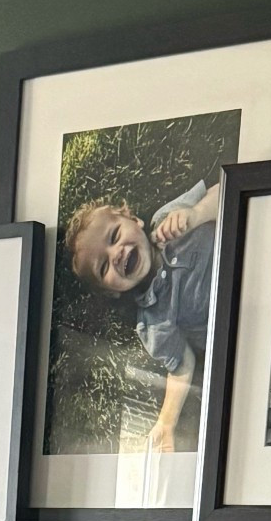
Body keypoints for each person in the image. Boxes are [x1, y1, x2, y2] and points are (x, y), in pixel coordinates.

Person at [65, 178, 221, 452]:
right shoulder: (153, 322)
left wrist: (196, 215)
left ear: (134, 220)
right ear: (111, 291)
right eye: (104, 267)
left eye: (114, 237)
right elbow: (181, 365)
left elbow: (225, 191)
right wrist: (166, 423)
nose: (116, 254)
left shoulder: (169, 218)